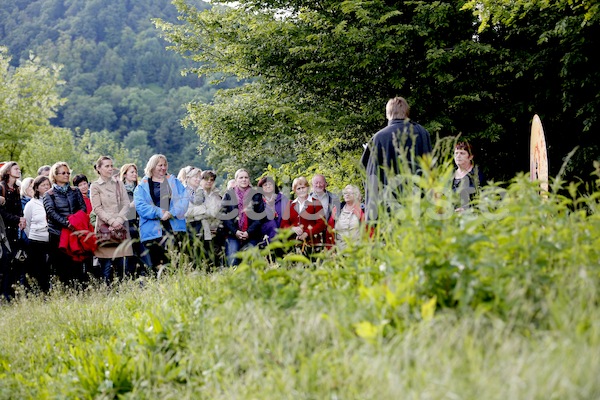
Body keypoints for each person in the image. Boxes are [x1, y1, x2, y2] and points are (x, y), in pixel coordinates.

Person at [360, 96, 432, 221]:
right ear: (407, 112)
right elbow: (430, 170)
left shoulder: (379, 137)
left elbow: (369, 174)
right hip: (419, 206)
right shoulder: (422, 133)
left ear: (388, 114)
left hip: (389, 209)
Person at [134, 154, 189, 271]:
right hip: (152, 231)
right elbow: (141, 206)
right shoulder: (142, 186)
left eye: (165, 165)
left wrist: (171, 213)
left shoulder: (173, 181)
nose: (163, 168)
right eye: (160, 165)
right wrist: (160, 212)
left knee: (177, 262)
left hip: (174, 227)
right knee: (158, 265)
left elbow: (184, 199)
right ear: (152, 166)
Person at [43, 162, 89, 285]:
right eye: (63, 173)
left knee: (77, 263)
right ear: (55, 175)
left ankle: (78, 290)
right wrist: (67, 223)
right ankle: (65, 291)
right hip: (58, 234)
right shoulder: (49, 194)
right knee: (61, 265)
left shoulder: (75, 191)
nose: (66, 175)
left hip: (75, 232)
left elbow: (83, 208)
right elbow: (51, 213)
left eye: (68, 172)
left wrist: (75, 222)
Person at [90, 156, 133, 284]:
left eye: (111, 166)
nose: (110, 168)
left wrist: (119, 220)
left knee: (121, 265)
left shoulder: (119, 183)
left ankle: (122, 293)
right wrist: (112, 221)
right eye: (106, 166)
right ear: (99, 168)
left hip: (121, 227)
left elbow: (126, 203)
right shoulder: (95, 186)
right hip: (105, 228)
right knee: (106, 267)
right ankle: (106, 293)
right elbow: (97, 208)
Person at [221, 168, 265, 266]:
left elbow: (260, 217)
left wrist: (248, 232)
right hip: (233, 234)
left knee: (251, 263)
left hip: (251, 235)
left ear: (249, 179)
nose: (244, 179)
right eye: (241, 178)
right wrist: (235, 231)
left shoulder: (256, 195)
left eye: (246, 177)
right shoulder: (228, 195)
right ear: (236, 180)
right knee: (232, 262)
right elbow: (224, 216)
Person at [280, 176, 327, 256]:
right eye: (298, 188)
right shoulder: (290, 204)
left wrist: (306, 233)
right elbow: (283, 225)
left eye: (303, 187)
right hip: (293, 245)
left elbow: (321, 224)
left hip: (312, 245)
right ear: (295, 191)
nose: (301, 190)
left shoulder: (316, 203)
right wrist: (292, 228)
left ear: (308, 188)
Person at [120, 163, 150, 276]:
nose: (135, 174)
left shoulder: (140, 189)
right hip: (127, 225)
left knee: (144, 254)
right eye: (132, 172)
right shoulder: (120, 190)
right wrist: (132, 205)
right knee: (130, 256)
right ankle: (129, 279)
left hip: (141, 224)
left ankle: (144, 278)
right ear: (125, 174)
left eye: (135, 172)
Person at [23, 175, 52, 293]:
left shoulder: (53, 200)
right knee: (37, 269)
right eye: (43, 185)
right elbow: (27, 223)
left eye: (48, 185)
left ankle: (48, 291)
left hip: (51, 239)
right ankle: (37, 293)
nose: (46, 187)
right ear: (37, 188)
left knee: (49, 268)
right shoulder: (31, 204)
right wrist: (34, 236)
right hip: (36, 240)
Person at [452, 141, 485, 212]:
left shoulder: (476, 174)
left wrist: (466, 210)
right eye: (456, 153)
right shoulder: (450, 174)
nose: (458, 156)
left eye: (462, 153)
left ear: (470, 157)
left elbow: (479, 198)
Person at [310, 174, 339, 247]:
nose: (318, 185)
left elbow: (338, 217)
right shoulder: (307, 199)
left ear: (326, 184)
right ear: (312, 185)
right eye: (316, 183)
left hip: (330, 234)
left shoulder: (334, 198)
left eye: (321, 182)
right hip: (312, 235)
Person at [334, 184, 365, 250]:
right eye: (345, 193)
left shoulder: (362, 209)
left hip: (359, 252)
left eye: (350, 193)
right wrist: (330, 250)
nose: (347, 195)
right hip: (340, 253)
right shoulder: (337, 209)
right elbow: (329, 230)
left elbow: (369, 230)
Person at [257, 176, 287, 244]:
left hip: (284, 237)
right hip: (266, 239)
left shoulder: (283, 199)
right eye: (265, 185)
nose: (268, 186)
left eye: (270, 184)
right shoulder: (258, 203)